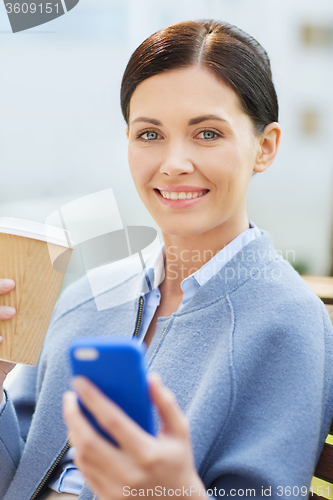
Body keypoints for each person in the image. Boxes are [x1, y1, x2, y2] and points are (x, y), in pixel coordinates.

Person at [1, 20, 333, 500]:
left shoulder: (286, 323)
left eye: (207, 134)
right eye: (150, 135)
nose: (173, 162)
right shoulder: (85, 299)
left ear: (265, 147)